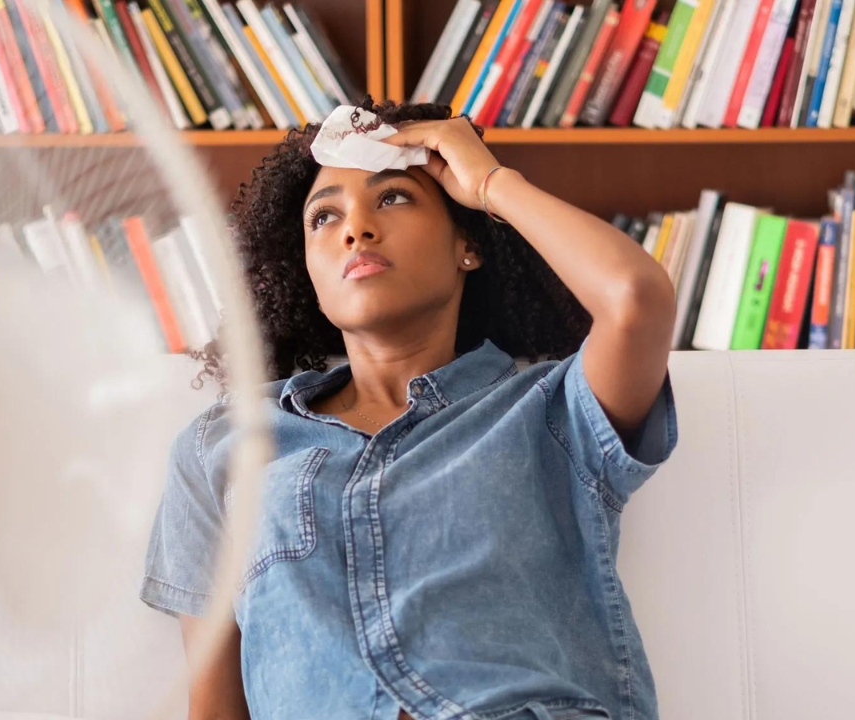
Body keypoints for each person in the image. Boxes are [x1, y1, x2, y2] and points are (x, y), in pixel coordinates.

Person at [139, 97, 679, 720]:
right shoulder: (223, 444)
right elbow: (213, 703)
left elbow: (634, 298)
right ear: (307, 273)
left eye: (392, 197)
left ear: (466, 247)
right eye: (324, 217)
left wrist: (489, 182)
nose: (355, 229)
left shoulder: (552, 411)